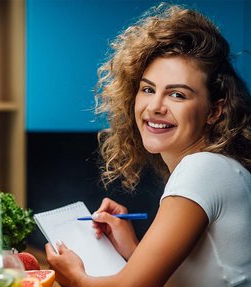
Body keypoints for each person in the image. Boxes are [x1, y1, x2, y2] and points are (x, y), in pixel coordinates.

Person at [45, 3, 251, 287]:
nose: (155, 107)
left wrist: (76, 279)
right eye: (148, 89)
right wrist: (132, 248)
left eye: (177, 95)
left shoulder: (203, 168)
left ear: (215, 110)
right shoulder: (220, 168)